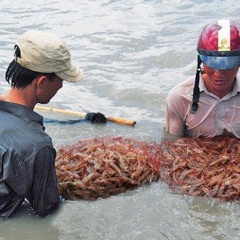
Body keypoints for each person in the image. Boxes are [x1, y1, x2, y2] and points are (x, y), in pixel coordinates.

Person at [0, 31, 84, 219]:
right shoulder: (39, 146)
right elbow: (46, 208)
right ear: (42, 82)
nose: (61, 86)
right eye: (61, 79)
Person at [165, 19, 240, 138]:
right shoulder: (179, 98)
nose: (218, 74)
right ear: (201, 60)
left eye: (227, 65)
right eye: (212, 63)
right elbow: (172, 147)